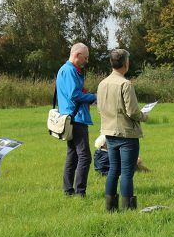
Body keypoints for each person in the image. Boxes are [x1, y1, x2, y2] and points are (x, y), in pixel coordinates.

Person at [96, 48, 147, 212]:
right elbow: (132, 111)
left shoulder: (102, 84)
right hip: (126, 134)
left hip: (109, 133)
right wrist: (144, 116)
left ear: (112, 63)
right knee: (126, 173)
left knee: (113, 170)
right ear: (126, 63)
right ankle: (128, 208)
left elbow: (100, 109)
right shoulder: (125, 84)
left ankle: (110, 207)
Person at [56, 43, 96, 196]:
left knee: (72, 156)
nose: (86, 61)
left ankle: (68, 191)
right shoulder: (70, 70)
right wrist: (93, 97)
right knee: (85, 157)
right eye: (85, 58)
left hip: (70, 118)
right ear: (77, 55)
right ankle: (80, 192)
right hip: (76, 119)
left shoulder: (64, 70)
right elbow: (75, 95)